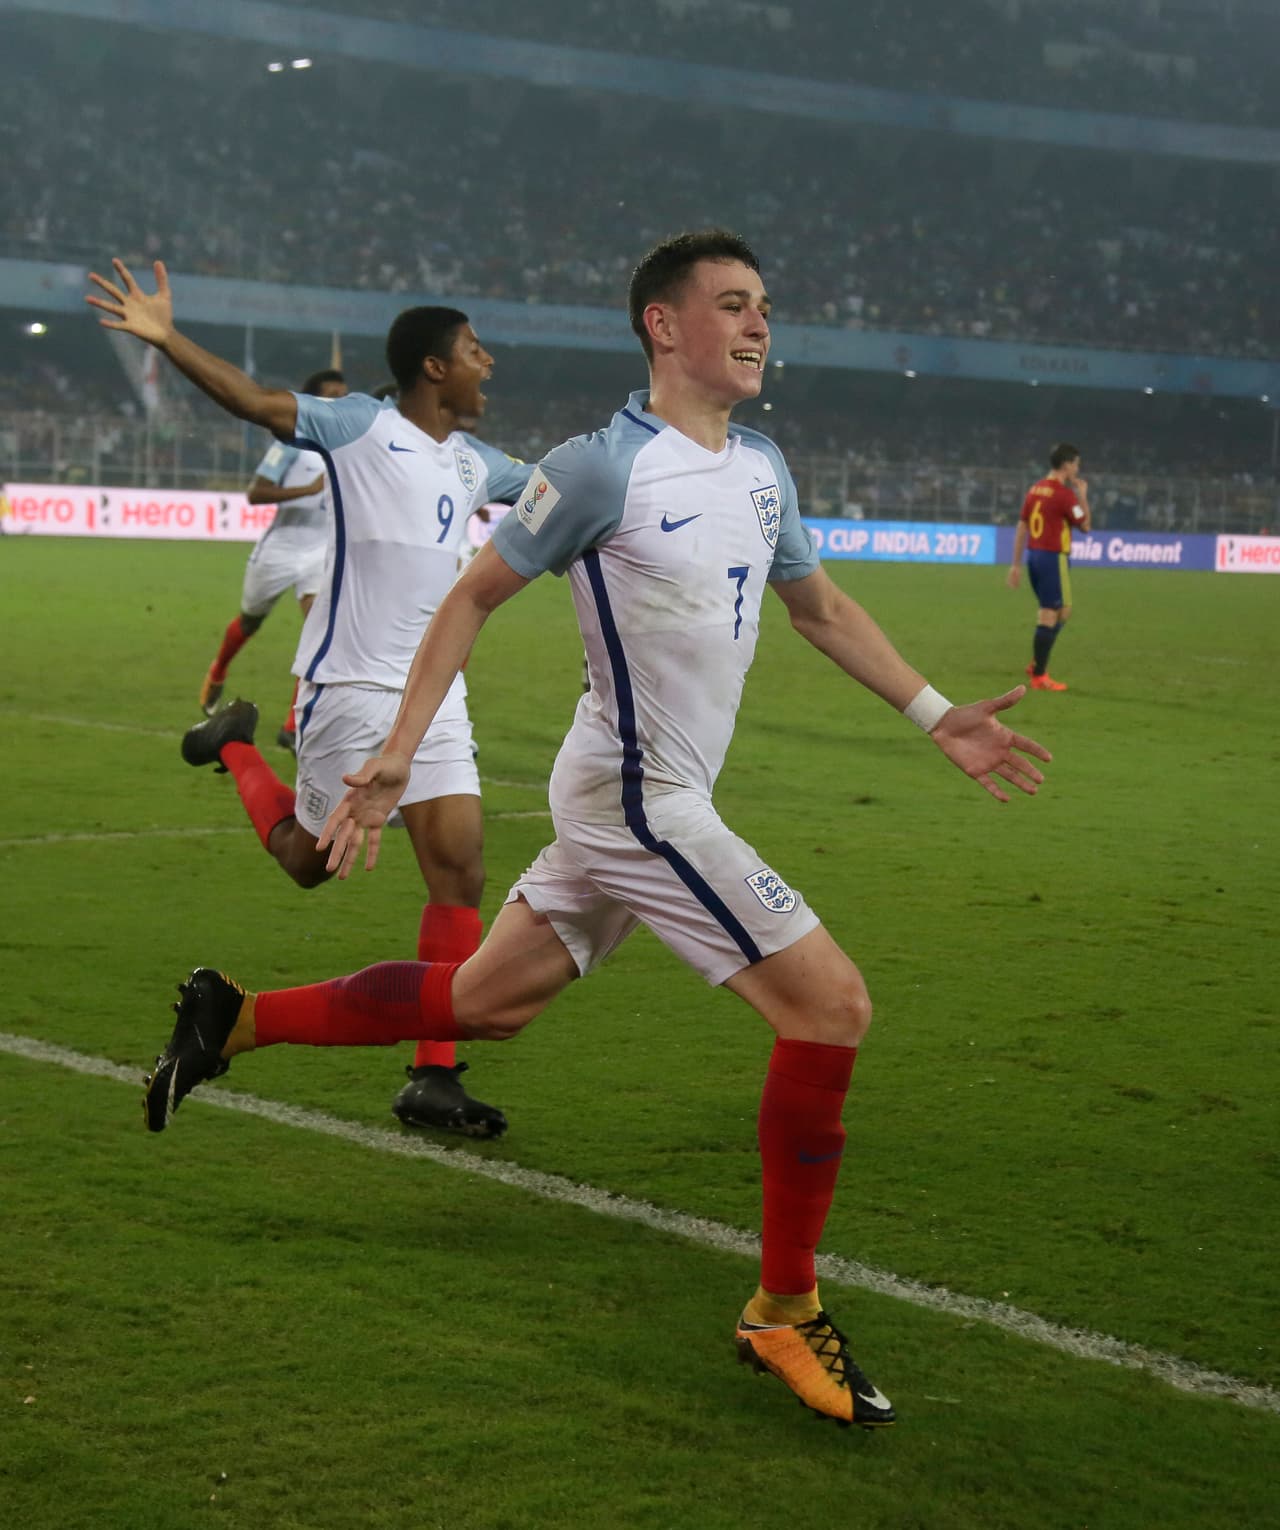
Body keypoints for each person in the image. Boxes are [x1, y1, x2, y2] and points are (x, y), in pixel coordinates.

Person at [132, 231, 1051, 1430]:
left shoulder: (761, 465)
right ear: (664, 328)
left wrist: (936, 717)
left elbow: (817, 605)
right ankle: (783, 1305)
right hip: (634, 798)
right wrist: (401, 747)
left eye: (763, 305)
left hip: (649, 790)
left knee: (481, 1004)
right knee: (829, 1005)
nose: (759, 324)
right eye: (733, 305)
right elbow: (470, 597)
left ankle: (236, 1016)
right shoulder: (603, 467)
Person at [87, 258, 531, 1138]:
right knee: (310, 861)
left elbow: (559, 488)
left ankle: (433, 1077)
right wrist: (168, 337)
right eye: (476, 351)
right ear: (435, 367)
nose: (490, 364)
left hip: (434, 695)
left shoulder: (477, 463)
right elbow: (256, 402)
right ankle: (235, 746)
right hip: (354, 690)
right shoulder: (363, 426)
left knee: (463, 869)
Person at [199, 367, 348, 752]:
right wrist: (307, 489)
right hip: (280, 547)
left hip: (321, 550)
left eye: (343, 395)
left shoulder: (348, 446)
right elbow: (255, 494)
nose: (339, 402)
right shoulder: (288, 445)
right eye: (331, 394)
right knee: (250, 621)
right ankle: (218, 669)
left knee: (317, 631)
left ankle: (291, 726)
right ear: (313, 400)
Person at [1006, 443, 1090, 691]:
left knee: (1062, 611)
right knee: (1051, 613)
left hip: (1034, 556)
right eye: (1076, 464)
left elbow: (1022, 526)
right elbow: (1085, 526)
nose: (1077, 468)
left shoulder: (1035, 489)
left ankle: (1038, 661)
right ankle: (1039, 675)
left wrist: (1015, 565)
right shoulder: (1065, 495)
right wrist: (1083, 495)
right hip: (1054, 558)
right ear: (1066, 464)